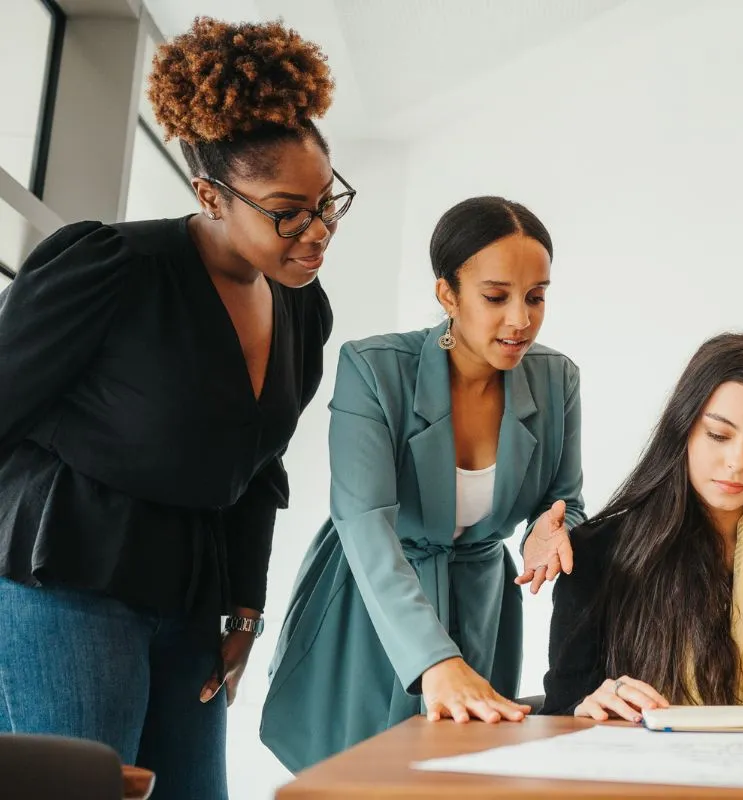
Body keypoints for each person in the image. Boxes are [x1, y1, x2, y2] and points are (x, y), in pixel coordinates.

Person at [0, 16, 348, 799]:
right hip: (68, 582)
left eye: (327, 203)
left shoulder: (302, 308)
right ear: (209, 195)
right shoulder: (112, 268)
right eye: (288, 210)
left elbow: (258, 468)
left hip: (191, 596)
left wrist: (246, 609)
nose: (317, 231)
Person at [261, 196, 584, 771]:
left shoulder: (556, 379)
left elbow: (565, 502)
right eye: (495, 296)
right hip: (371, 605)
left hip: (481, 608)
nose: (521, 319)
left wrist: (547, 532)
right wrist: (434, 660)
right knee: (359, 773)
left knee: (459, 773)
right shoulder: (373, 368)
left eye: (536, 297)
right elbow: (363, 525)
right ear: (446, 294)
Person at [542, 333, 743, 720]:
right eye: (718, 435)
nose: (737, 462)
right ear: (684, 426)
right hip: (644, 774)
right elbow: (559, 711)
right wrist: (588, 705)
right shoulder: (597, 549)